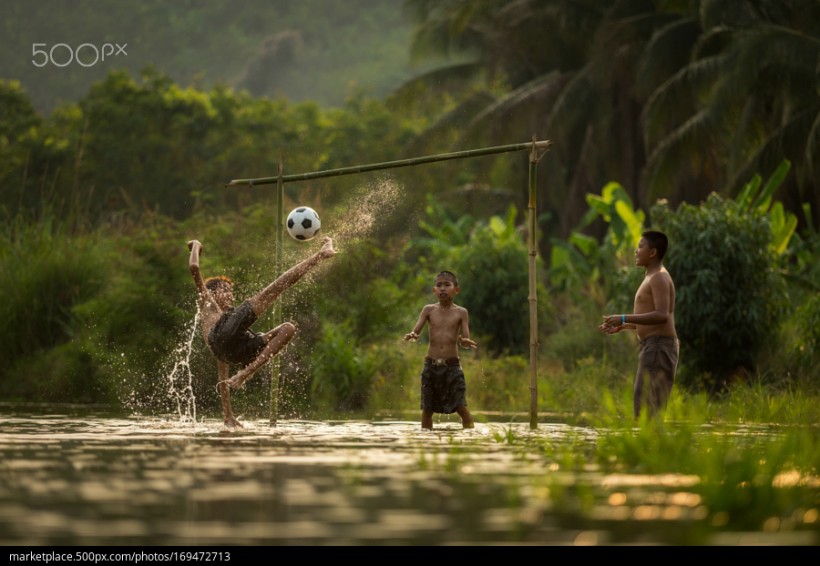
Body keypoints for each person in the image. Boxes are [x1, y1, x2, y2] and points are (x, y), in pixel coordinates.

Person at [187, 236, 336, 427]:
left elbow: (222, 376)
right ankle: (320, 255)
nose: (230, 294)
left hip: (233, 352)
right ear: (212, 293)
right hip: (223, 343)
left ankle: (246, 373)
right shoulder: (208, 304)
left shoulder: (228, 326)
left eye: (231, 291)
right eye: (224, 289)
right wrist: (195, 245)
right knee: (274, 290)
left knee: (288, 328)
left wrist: (228, 416)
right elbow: (194, 268)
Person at [599, 230, 679, 419]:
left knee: (646, 406)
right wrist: (623, 326)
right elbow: (652, 317)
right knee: (646, 404)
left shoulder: (659, 277)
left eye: (640, 246)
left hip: (658, 347)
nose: (636, 251)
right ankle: (650, 446)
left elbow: (662, 316)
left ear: (653, 252)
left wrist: (625, 317)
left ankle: (649, 447)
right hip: (654, 346)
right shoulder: (651, 277)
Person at [403, 270, 477, 430]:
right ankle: (426, 440)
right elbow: (416, 331)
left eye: (447, 285)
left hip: (452, 367)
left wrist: (465, 342)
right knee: (427, 410)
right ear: (434, 290)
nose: (442, 288)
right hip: (431, 367)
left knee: (461, 408)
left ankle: (470, 439)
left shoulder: (461, 312)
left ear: (456, 289)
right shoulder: (428, 310)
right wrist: (412, 334)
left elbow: (464, 341)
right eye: (439, 285)